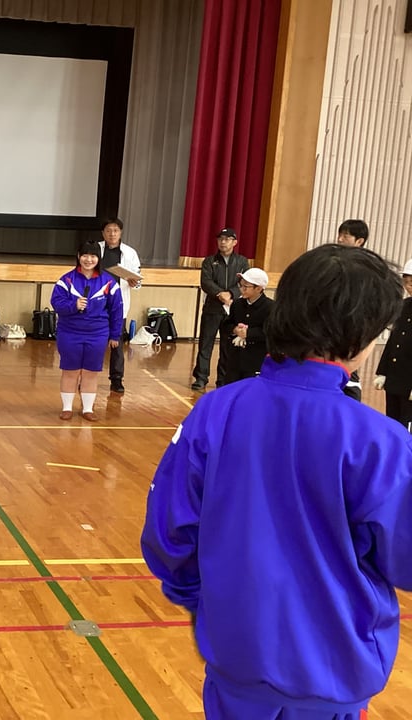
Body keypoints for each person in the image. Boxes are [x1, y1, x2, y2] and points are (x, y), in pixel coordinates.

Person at [140, 244, 412, 719]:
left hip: (236, 658)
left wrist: (212, 606)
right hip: (333, 671)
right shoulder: (380, 441)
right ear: (360, 337)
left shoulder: (216, 410)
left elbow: (168, 536)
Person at [50, 241, 123, 421]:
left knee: (91, 372)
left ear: (99, 258)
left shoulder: (109, 282)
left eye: (93, 256)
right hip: (69, 332)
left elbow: (117, 310)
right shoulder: (66, 280)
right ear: (78, 256)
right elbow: (56, 303)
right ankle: (67, 408)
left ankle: (88, 409)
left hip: (97, 334)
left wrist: (115, 335)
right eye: (85, 255)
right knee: (70, 371)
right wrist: (73, 305)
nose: (88, 260)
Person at [190, 228, 249, 391]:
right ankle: (201, 378)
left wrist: (231, 293)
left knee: (227, 346)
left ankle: (223, 379)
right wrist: (219, 294)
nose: (223, 242)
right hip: (213, 308)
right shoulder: (209, 261)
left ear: (234, 242)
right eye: (220, 239)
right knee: (205, 344)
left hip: (233, 309)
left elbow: (245, 282)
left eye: (227, 239)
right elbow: (206, 282)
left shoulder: (242, 262)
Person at [97, 216, 141, 393]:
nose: (112, 234)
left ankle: (116, 379)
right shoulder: (96, 249)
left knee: (117, 342)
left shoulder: (129, 253)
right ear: (103, 233)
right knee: (93, 340)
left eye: (115, 230)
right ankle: (86, 375)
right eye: (108, 231)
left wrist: (134, 282)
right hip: (97, 301)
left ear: (120, 232)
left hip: (118, 302)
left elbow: (138, 279)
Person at [373, 259, 412, 430]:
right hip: (396, 378)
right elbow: (393, 341)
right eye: (406, 282)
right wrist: (383, 372)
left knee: (407, 427)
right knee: (392, 422)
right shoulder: (404, 305)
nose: (408, 286)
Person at [335, 218, 369, 400]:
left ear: (359, 241)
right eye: (339, 234)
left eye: (345, 236)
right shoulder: (333, 261)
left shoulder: (366, 267)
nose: (340, 239)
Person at [221, 268, 274, 383]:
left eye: (246, 286)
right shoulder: (237, 304)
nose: (242, 289)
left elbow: (270, 332)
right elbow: (226, 324)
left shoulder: (270, 307)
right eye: (240, 285)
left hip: (256, 359)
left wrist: (248, 333)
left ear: (258, 288)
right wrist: (235, 329)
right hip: (235, 359)